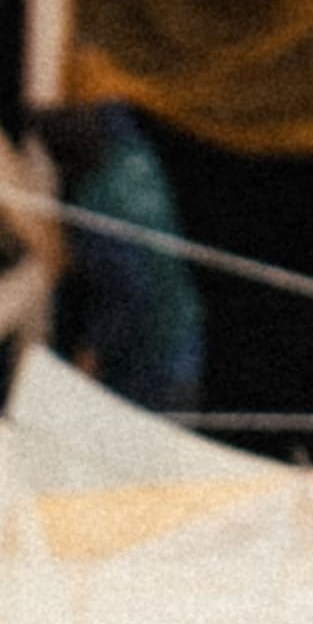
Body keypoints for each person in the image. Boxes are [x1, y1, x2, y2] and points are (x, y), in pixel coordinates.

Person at [42, 98, 205, 419]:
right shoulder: (134, 152)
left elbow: (128, 293)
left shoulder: (95, 210)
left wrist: (90, 354)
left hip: (151, 366)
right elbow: (116, 114)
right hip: (186, 342)